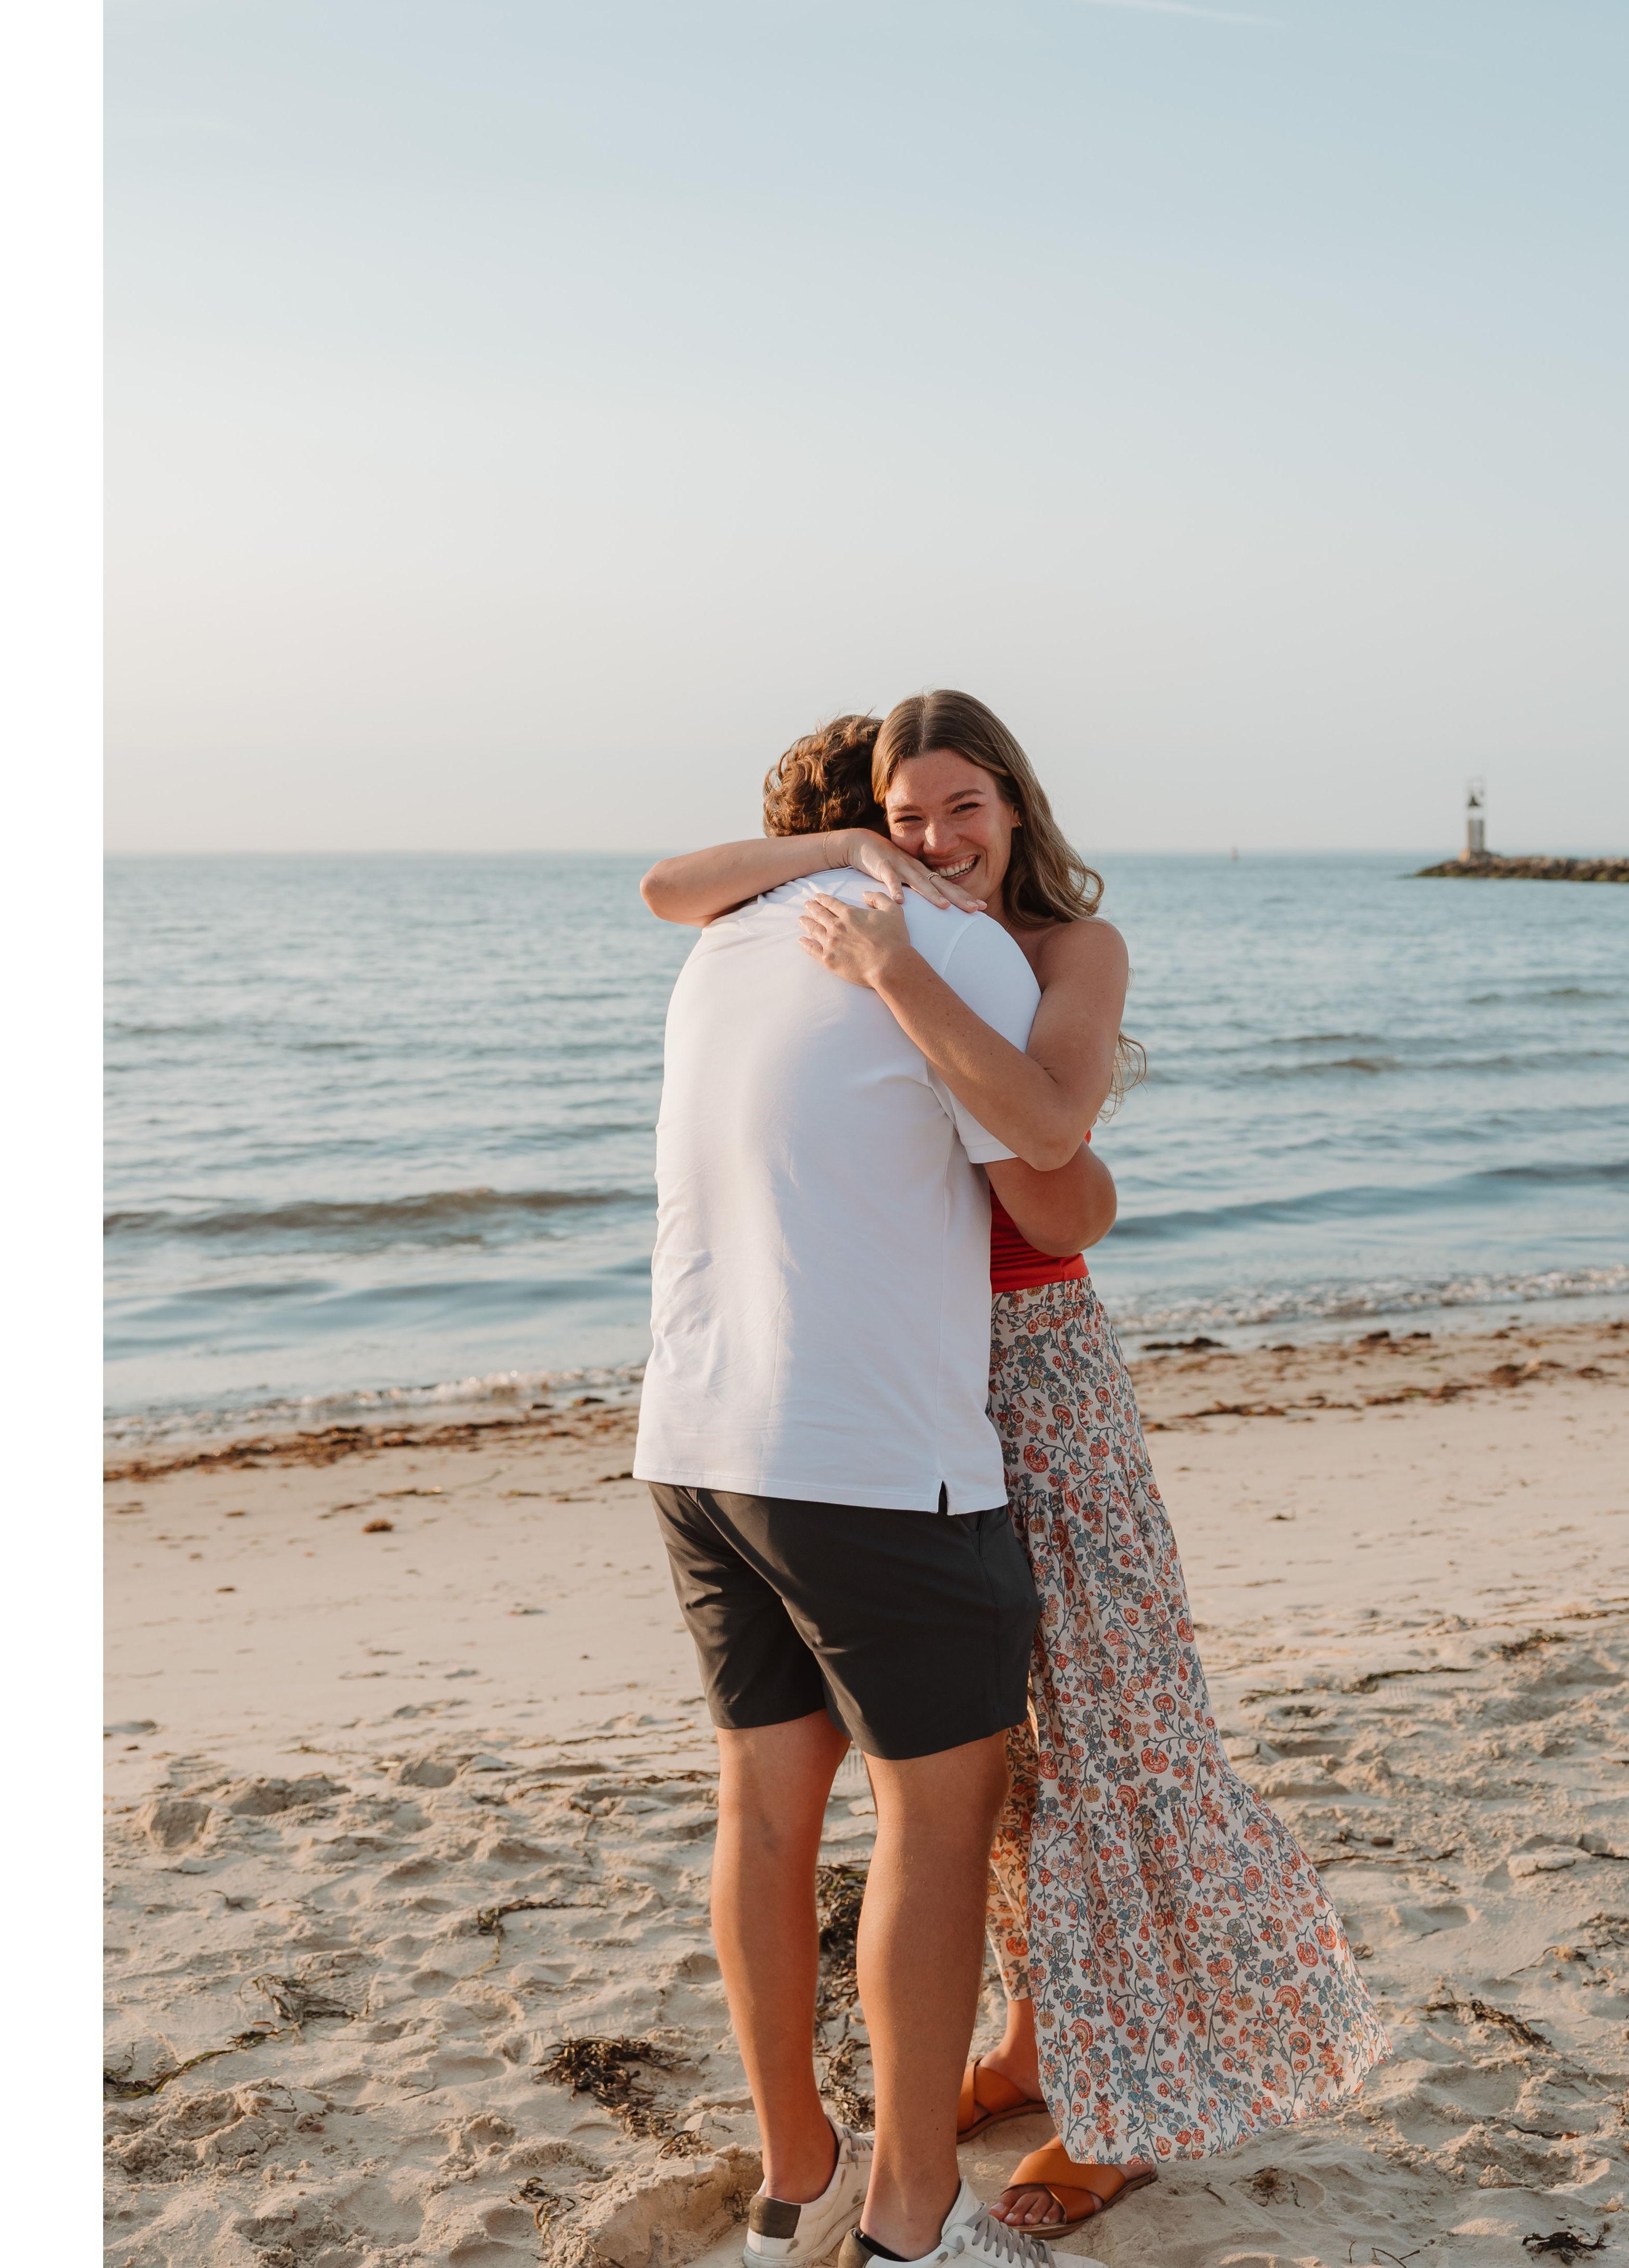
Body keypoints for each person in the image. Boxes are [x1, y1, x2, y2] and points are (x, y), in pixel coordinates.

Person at [648, 691, 1390, 2237]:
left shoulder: (1057, 951)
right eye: (903, 817)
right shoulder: (853, 921)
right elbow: (671, 889)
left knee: (1105, 1734)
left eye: (962, 810)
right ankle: (1030, 2050)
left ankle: (1118, 2106)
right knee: (991, 1772)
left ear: (1015, 805)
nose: (935, 842)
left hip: (1034, 1369)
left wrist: (898, 973)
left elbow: (1056, 1181)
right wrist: (855, 882)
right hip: (906, 1376)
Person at [631, 728, 1103, 2268]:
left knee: (765, 1810)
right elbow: (1051, 1178)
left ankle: (797, 2183)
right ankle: (912, 2218)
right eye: (919, 816)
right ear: (890, 831)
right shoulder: (953, 946)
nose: (943, 841)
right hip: (873, 1462)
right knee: (936, 1827)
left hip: (694, 1440)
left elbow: (669, 882)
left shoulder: (719, 944)